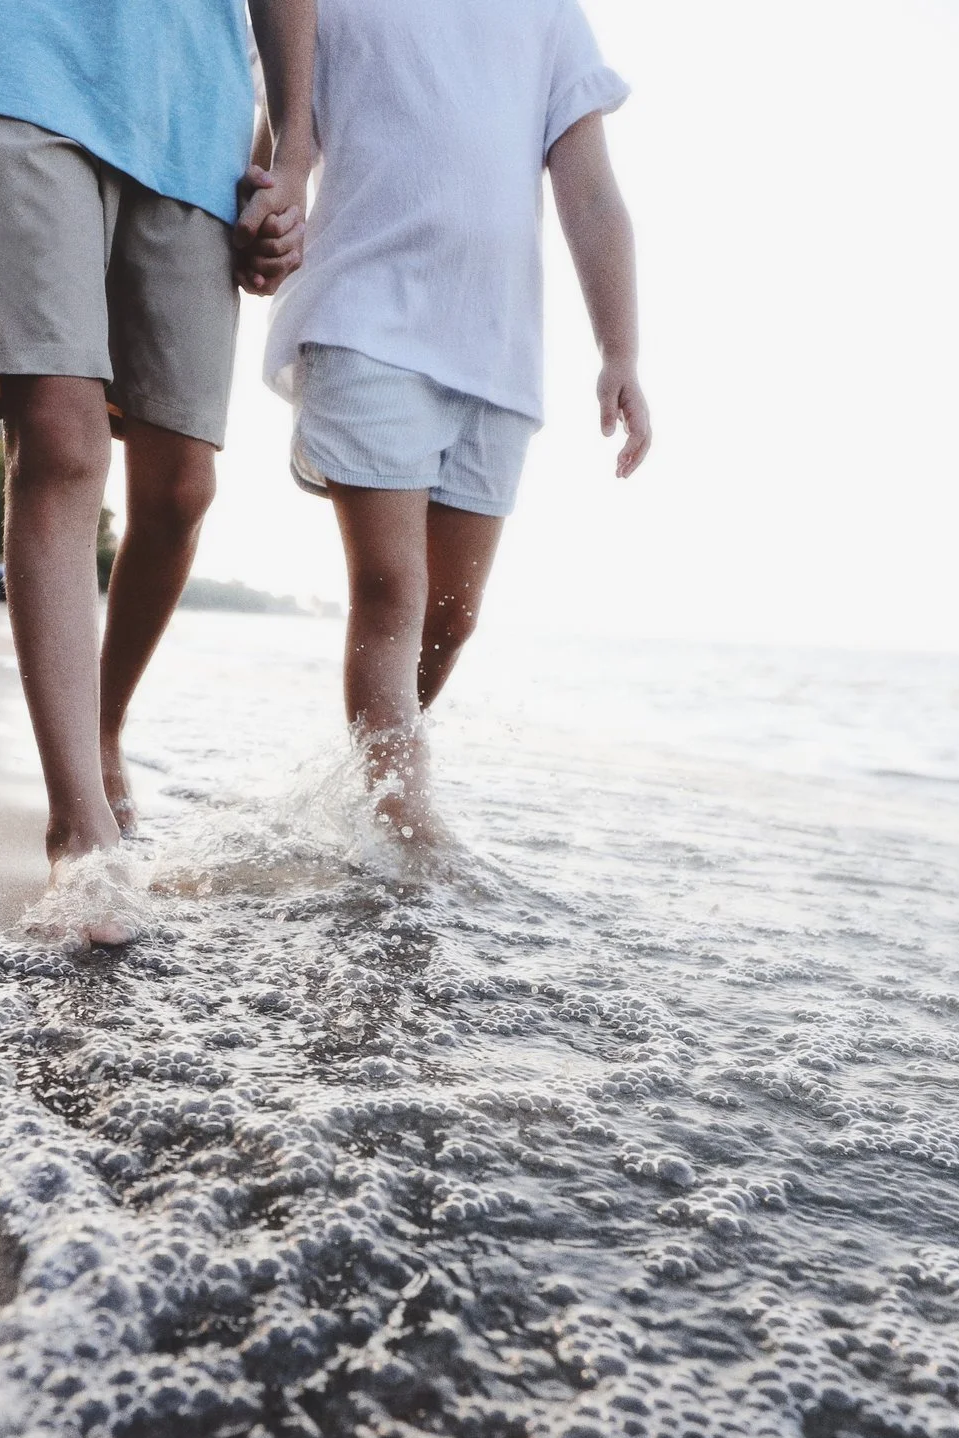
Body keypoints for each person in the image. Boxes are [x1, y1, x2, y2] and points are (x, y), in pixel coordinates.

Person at [0, 0, 317, 939]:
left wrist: (294, 151)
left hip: (189, 110)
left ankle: (103, 724)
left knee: (183, 485)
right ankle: (80, 828)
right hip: (3, 58)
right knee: (60, 440)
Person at [265, 0, 651, 842]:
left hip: (495, 346)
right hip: (363, 315)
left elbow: (590, 195)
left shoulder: (548, 14)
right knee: (392, 589)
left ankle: (363, 790)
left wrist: (619, 352)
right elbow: (282, 132)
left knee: (450, 615)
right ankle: (406, 832)